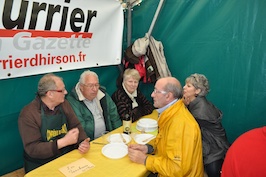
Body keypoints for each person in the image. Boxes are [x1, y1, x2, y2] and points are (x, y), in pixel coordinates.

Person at [128, 77, 204, 177]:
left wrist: (145, 160)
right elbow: (165, 141)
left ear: (168, 96)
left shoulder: (180, 125)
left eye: (156, 91)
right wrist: (148, 148)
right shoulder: (171, 113)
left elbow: (177, 169)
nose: (152, 94)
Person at [18, 73, 90, 173]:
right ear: (50, 94)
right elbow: (33, 148)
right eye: (62, 90)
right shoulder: (28, 114)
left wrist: (83, 141)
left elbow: (76, 125)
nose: (66, 92)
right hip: (41, 165)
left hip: (64, 157)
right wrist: (63, 142)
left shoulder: (64, 104)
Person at [183, 73, 230, 177]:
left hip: (214, 148)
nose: (184, 87)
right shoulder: (195, 102)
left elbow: (185, 126)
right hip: (209, 143)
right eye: (185, 85)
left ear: (197, 91)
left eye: (188, 86)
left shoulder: (200, 111)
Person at [66, 70, 122, 140]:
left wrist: (119, 135)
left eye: (96, 85)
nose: (95, 89)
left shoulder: (103, 95)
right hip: (89, 142)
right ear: (81, 87)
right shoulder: (72, 102)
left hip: (108, 137)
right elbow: (80, 128)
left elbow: (114, 117)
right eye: (90, 85)